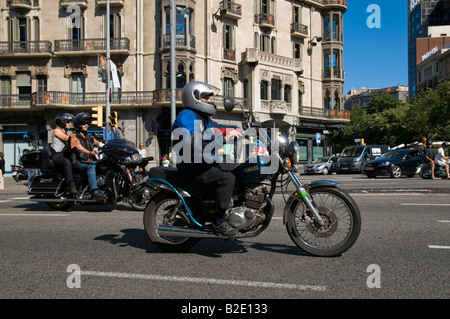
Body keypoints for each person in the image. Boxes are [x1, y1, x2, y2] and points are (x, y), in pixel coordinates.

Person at [172, 81, 242, 236]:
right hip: (192, 166)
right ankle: (219, 221)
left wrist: (239, 130)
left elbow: (220, 129)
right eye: (206, 98)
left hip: (205, 162)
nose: (210, 101)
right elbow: (194, 141)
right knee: (227, 178)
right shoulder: (187, 116)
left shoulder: (204, 118)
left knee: (239, 167)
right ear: (194, 97)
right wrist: (223, 138)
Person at [69, 112, 107, 201]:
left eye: (87, 123)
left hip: (88, 161)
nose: (87, 125)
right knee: (91, 166)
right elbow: (78, 147)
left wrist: (108, 146)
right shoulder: (74, 136)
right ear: (78, 125)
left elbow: (99, 143)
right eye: (84, 123)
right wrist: (89, 152)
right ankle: (94, 191)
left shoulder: (88, 136)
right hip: (79, 162)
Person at [51, 113, 77, 194]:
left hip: (64, 155)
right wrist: (76, 136)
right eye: (68, 122)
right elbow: (66, 138)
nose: (69, 124)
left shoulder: (65, 132)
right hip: (57, 156)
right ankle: (71, 185)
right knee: (67, 162)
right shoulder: (56, 131)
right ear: (62, 122)